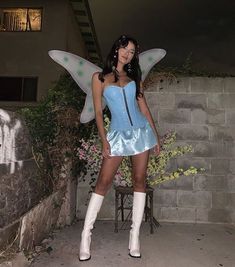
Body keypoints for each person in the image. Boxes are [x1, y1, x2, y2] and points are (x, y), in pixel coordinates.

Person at [79, 35, 160, 261]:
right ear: (116, 49)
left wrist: (155, 137)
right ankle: (86, 236)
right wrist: (104, 140)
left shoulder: (134, 76)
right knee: (103, 183)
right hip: (116, 135)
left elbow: (144, 109)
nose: (128, 53)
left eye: (132, 51)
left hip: (141, 133)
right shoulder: (100, 78)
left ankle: (134, 238)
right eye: (125, 48)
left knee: (140, 180)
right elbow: (97, 112)